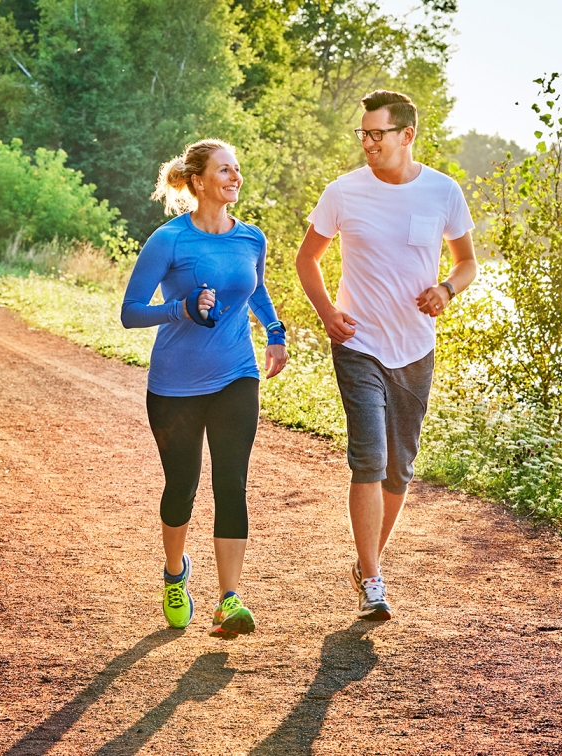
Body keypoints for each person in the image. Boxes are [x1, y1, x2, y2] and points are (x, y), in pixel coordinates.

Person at [296, 90, 477, 621]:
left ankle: (365, 560)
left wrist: (446, 289)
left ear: (407, 135)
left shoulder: (443, 191)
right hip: (359, 342)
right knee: (370, 459)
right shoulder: (343, 192)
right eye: (364, 133)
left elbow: (467, 262)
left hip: (416, 348)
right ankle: (373, 578)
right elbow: (308, 259)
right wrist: (328, 313)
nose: (368, 143)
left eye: (377, 133)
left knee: (400, 468)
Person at [120, 139, 289, 638]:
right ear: (197, 181)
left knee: (231, 482)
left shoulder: (251, 238)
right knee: (182, 487)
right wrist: (182, 309)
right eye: (224, 170)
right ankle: (175, 575)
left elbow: (255, 288)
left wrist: (275, 334)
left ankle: (229, 599)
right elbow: (130, 312)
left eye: (238, 169)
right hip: (175, 383)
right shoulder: (168, 240)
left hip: (237, 372)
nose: (235, 177)